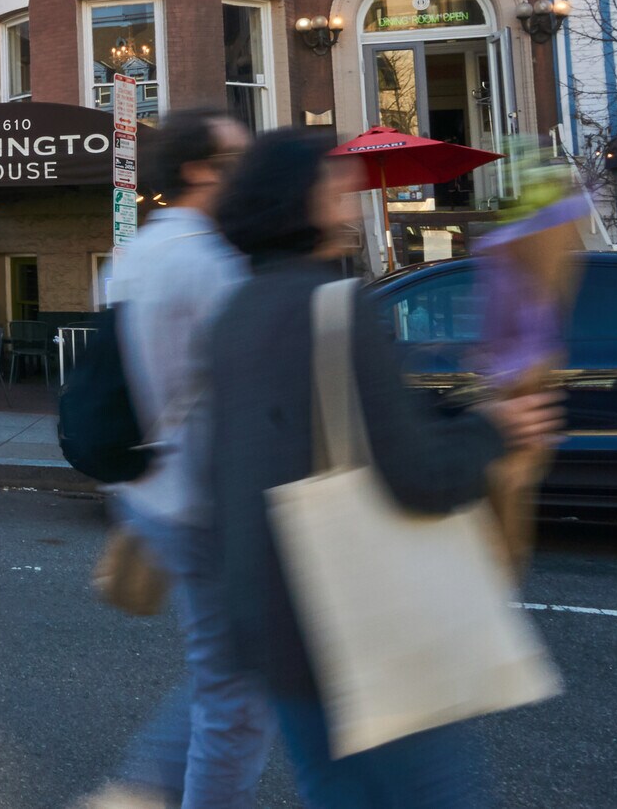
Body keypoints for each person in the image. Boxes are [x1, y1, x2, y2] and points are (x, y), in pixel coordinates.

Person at [206, 131, 562, 808]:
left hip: (274, 632)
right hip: (365, 629)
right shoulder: (338, 311)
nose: (347, 192)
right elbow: (420, 477)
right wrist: (496, 428)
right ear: (300, 200)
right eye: (332, 182)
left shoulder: (231, 315)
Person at [95, 108, 269, 809]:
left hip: (150, 485)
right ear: (199, 170)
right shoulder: (211, 262)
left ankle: (140, 790)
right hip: (204, 498)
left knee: (225, 670)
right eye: (237, 160)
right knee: (237, 687)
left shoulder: (132, 253)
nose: (249, 174)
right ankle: (145, 791)